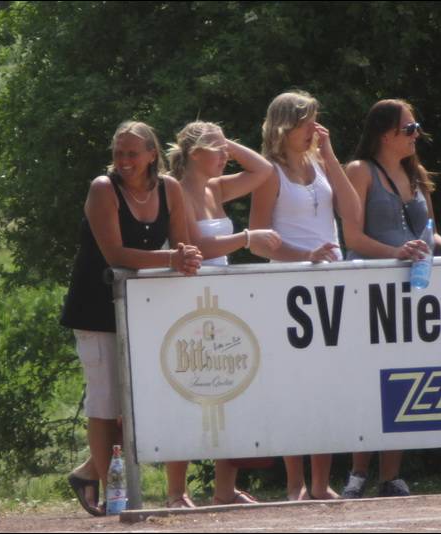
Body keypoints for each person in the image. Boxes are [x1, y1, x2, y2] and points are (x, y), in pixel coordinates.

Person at [61, 121, 202, 516]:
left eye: (132, 153)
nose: (124, 160)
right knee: (105, 402)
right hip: (95, 309)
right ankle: (115, 496)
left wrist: (188, 257)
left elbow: (183, 244)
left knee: (145, 398)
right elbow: (116, 255)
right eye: (118, 152)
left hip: (142, 309)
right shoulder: (102, 189)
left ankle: (91, 472)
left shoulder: (170, 189)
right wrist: (174, 258)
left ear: (152, 154)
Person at [341, 99, 441, 499]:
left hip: (412, 291)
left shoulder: (415, 173)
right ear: (386, 134)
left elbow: (428, 232)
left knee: (400, 379)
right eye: (410, 128)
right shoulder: (359, 170)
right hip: (369, 290)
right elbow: (352, 236)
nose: (417, 134)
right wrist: (394, 253)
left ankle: (391, 476)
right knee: (367, 381)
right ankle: (357, 473)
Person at [164, 121, 282, 507]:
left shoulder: (215, 187)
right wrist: (247, 237)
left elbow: (264, 171)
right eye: (216, 150)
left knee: (228, 390)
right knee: (187, 392)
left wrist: (225, 140)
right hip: (188, 300)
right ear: (195, 153)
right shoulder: (176, 189)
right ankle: (176, 491)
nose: (225, 156)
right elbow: (195, 244)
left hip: (221, 299)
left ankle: (224, 490)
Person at [249, 90, 361, 500]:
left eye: (315, 119)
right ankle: (295, 483)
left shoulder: (320, 163)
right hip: (289, 289)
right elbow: (257, 241)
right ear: (285, 126)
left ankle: (320, 483)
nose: (314, 127)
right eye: (306, 121)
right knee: (292, 387)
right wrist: (304, 256)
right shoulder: (269, 173)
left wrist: (329, 155)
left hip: (330, 286)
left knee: (325, 385)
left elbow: (353, 213)